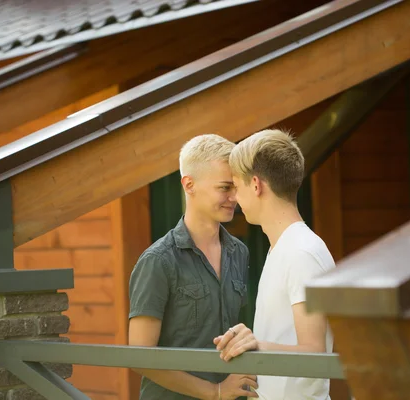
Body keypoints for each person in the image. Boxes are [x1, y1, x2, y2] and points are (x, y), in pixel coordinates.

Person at [128, 134, 258, 399]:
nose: (234, 197)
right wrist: (215, 391)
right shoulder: (158, 260)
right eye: (224, 188)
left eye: (235, 186)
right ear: (189, 185)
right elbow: (139, 356)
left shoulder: (239, 252)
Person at [214, 129, 336, 400]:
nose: (233, 197)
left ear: (256, 185)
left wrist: (256, 345)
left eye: (237, 185)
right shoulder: (281, 248)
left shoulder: (301, 252)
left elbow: (316, 354)